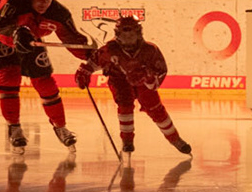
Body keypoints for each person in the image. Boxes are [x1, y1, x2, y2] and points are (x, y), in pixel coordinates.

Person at [0, 0, 94, 152]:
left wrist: (91, 56)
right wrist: (17, 33)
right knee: (10, 77)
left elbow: (72, 39)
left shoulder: (59, 12)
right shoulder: (15, 2)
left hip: (31, 37)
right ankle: (14, 127)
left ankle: (60, 126)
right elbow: (0, 28)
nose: (44, 3)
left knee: (45, 82)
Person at [77, 16, 191, 159]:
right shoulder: (110, 49)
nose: (128, 38)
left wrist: (147, 77)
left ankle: (175, 139)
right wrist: (84, 71)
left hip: (143, 83)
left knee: (155, 108)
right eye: (125, 35)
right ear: (118, 34)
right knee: (125, 106)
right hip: (119, 80)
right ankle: (127, 140)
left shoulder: (150, 50)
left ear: (139, 34)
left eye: (132, 34)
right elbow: (93, 62)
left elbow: (160, 74)